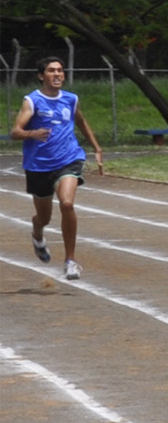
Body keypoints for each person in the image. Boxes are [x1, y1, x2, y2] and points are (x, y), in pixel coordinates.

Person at [11, 57, 105, 281]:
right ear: (41, 75)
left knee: (67, 203)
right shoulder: (32, 101)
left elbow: (81, 122)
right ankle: (37, 232)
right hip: (39, 165)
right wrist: (33, 134)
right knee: (44, 217)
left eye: (60, 70)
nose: (57, 74)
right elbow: (15, 132)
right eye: (52, 71)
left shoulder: (71, 99)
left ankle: (70, 261)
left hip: (68, 158)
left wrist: (97, 148)